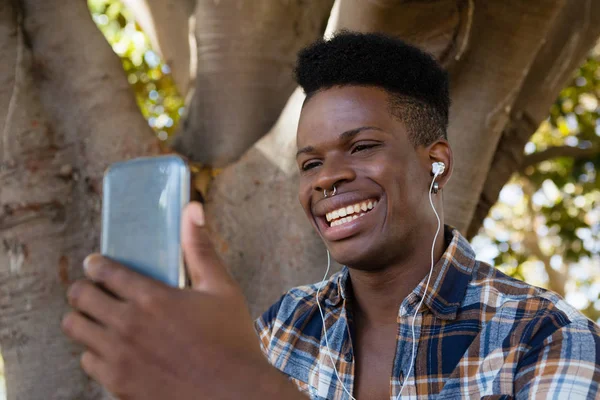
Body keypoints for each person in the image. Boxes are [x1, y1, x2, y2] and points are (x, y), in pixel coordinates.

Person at [62, 32, 600, 399]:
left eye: (362, 147)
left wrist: (253, 390)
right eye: (310, 162)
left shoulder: (544, 338)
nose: (325, 178)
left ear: (436, 162)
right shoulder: (283, 328)